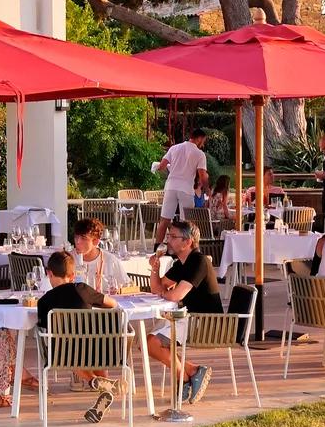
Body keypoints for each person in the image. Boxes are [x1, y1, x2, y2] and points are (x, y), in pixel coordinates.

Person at [33, 249, 116, 421]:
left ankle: (92, 380)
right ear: (72, 275)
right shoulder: (82, 289)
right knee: (95, 345)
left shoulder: (44, 301)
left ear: (49, 273)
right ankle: (104, 387)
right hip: (97, 350)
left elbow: (43, 329)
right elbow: (112, 304)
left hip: (64, 355)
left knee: (66, 349)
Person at [148, 221, 219, 404]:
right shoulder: (181, 263)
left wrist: (167, 294)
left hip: (206, 322)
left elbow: (175, 295)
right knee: (147, 343)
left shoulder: (199, 261)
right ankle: (191, 372)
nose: (168, 241)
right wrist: (155, 267)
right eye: (168, 236)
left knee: (151, 344)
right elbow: (157, 288)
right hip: (189, 318)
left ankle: (186, 378)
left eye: (172, 237)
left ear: (187, 242)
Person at [153, 126, 211, 245]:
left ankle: (157, 249)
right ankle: (184, 249)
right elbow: (202, 175)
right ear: (199, 139)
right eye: (203, 141)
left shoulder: (174, 148)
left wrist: (158, 167)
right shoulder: (199, 154)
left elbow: (162, 166)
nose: (203, 144)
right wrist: (207, 190)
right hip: (186, 188)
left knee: (164, 220)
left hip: (171, 186)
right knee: (187, 222)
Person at [68, 215, 132, 295]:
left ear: (95, 242)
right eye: (76, 237)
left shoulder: (110, 260)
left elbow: (128, 287)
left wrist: (118, 291)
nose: (77, 242)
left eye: (83, 238)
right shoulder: (68, 260)